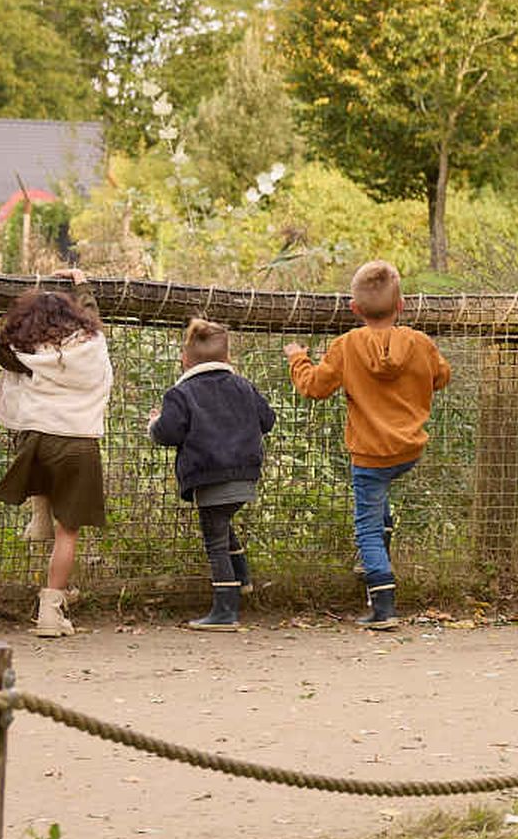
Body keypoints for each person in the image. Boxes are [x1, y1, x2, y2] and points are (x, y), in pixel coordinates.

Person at [287, 259, 453, 631]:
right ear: (402, 306)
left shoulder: (346, 346)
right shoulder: (419, 343)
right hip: (409, 449)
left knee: (365, 527)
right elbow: (442, 376)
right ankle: (384, 534)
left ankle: (383, 603)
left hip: (369, 454)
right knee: (378, 511)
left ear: (354, 309)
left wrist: (297, 357)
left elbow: (314, 387)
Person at [0, 275, 113, 639]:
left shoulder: (27, 356)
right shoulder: (93, 344)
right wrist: (84, 287)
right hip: (78, 441)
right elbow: (93, 313)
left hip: (35, 439)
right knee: (68, 532)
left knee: (38, 456)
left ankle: (39, 513)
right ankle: (50, 611)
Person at [148, 317, 275, 631]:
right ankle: (241, 578)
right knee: (222, 524)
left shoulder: (181, 393)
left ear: (184, 359)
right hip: (245, 475)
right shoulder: (244, 386)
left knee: (214, 540)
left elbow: (168, 433)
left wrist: (154, 423)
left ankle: (225, 610)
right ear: (228, 357)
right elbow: (268, 419)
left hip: (209, 477)